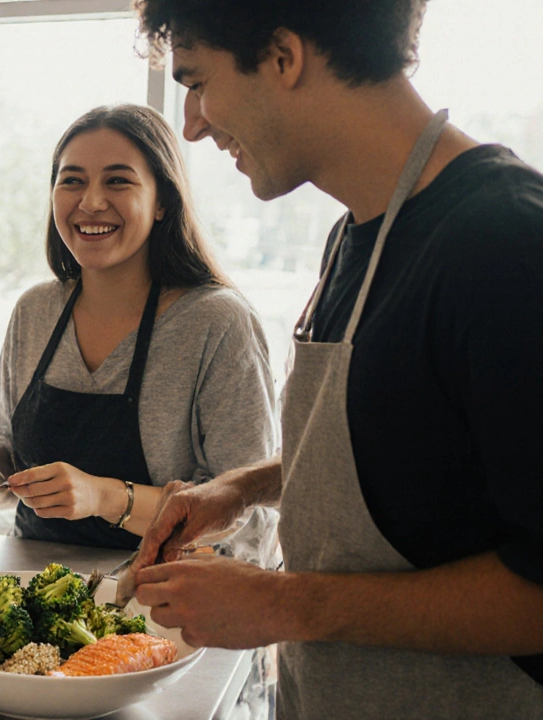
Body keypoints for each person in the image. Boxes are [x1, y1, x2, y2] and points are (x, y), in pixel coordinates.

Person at [129, 1, 543, 717]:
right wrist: (244, 488)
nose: (191, 124)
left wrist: (289, 606)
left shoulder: (505, 244)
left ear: (284, 57)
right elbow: (411, 449)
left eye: (197, 83)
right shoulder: (354, 234)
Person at [0, 104, 277, 549]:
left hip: (166, 600)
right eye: (71, 180)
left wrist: (104, 496)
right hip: (32, 593)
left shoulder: (217, 322)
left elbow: (243, 515)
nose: (90, 202)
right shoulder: (35, 311)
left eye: (118, 180)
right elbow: (9, 486)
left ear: (162, 203)